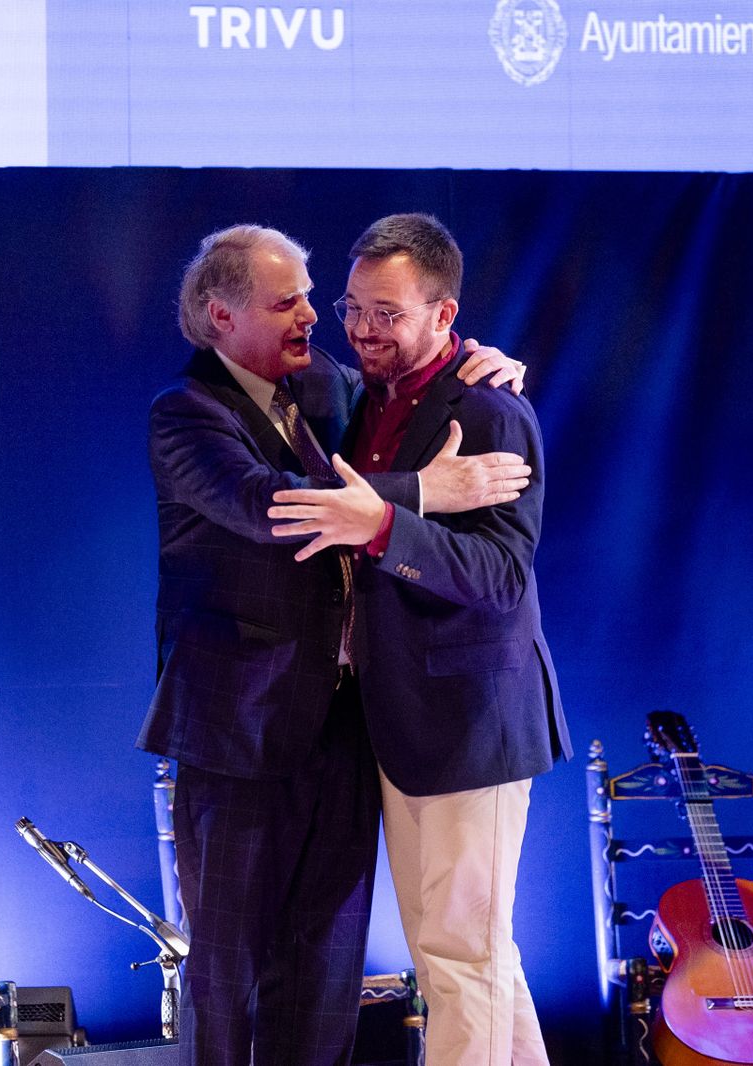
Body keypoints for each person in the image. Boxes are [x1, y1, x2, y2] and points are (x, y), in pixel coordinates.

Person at [138, 223, 532, 1066]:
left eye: (321, 299)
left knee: (324, 974)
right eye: (292, 303)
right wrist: (428, 491)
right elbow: (271, 506)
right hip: (240, 737)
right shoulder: (185, 415)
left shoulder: (326, 389)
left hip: (347, 731)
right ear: (220, 316)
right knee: (228, 974)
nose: (318, 319)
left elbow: (421, 371)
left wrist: (484, 360)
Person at [269, 213, 573, 1065]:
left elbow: (502, 578)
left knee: (457, 960)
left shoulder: (488, 410)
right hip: (410, 722)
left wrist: (383, 528)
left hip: (466, 725)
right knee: (476, 954)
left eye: (389, 313)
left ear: (446, 316)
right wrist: (400, 504)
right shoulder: (365, 398)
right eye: (354, 307)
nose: (364, 329)